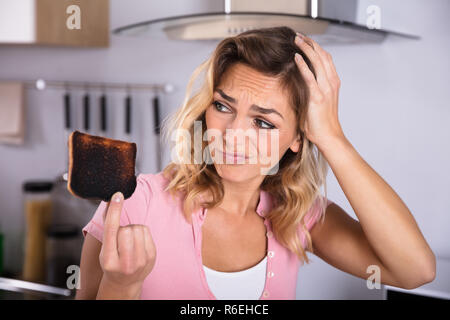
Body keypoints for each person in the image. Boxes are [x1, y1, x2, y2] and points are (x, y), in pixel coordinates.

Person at [75, 26, 435, 300]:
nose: (233, 134)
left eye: (263, 122)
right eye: (223, 106)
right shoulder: (136, 203)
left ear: (299, 137)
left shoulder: (297, 217)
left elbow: (414, 271)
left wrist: (332, 138)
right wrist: (121, 285)